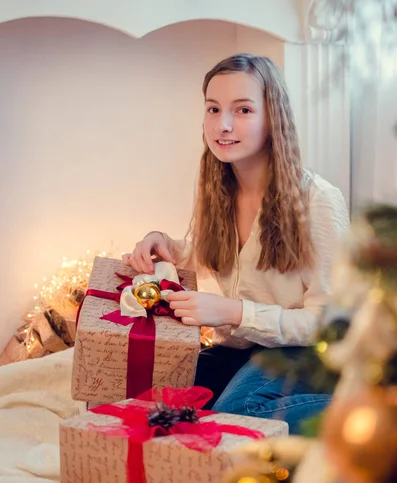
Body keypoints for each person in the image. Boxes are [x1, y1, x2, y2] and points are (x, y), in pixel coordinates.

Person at [123, 53, 350, 433]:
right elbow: (217, 254)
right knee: (157, 403)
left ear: (272, 117)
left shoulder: (318, 200)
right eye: (214, 109)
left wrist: (232, 312)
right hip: (242, 350)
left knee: (237, 412)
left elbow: (331, 324)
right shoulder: (218, 188)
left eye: (243, 110)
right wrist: (161, 242)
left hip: (308, 354)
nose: (223, 125)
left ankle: (370, 411)